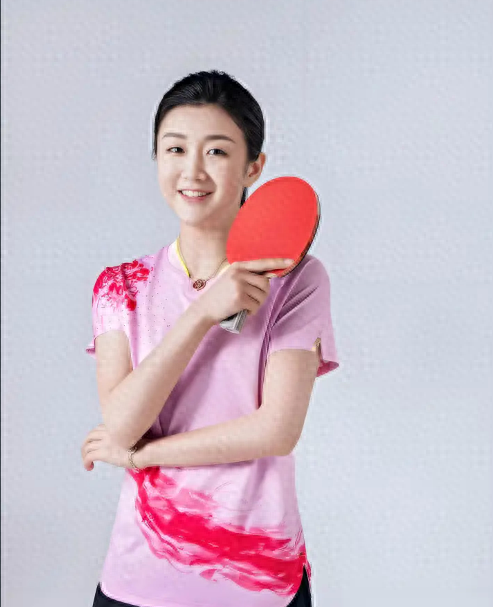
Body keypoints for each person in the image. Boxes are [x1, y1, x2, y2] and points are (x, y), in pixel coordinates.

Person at [84, 69, 340, 607]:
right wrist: (202, 311)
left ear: (254, 167)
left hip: (259, 584)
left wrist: (142, 457)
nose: (193, 171)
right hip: (138, 582)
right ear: (156, 157)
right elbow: (123, 425)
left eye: (217, 152)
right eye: (175, 149)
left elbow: (275, 431)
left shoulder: (297, 279)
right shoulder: (120, 287)